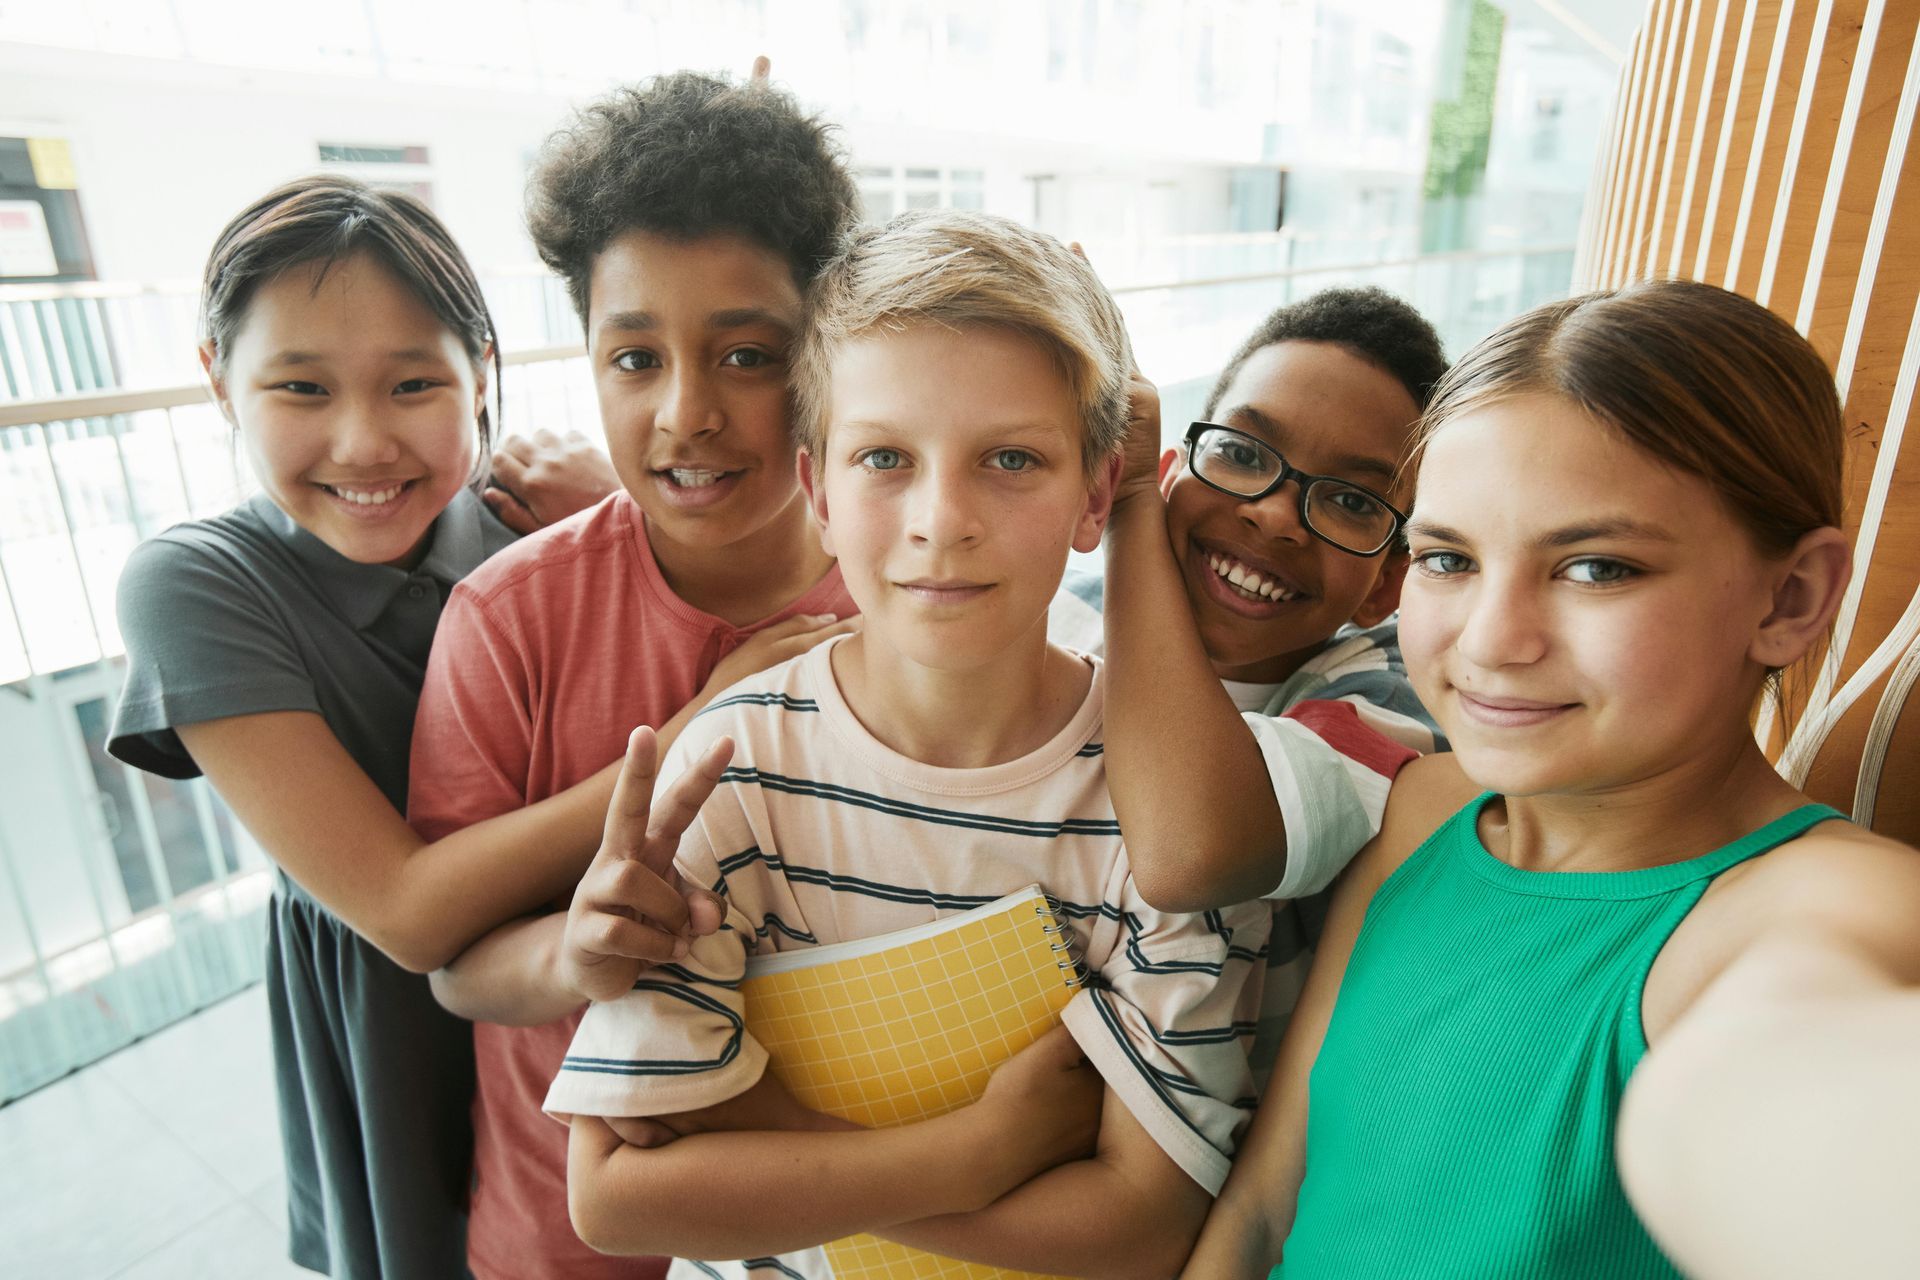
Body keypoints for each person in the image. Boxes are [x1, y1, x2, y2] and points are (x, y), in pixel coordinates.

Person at [545, 209, 1270, 1280]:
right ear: (820, 492)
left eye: (1011, 458)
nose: (942, 516)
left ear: (1093, 494)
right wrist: (978, 1152)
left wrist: (776, 1139)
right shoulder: (732, 767)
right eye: (886, 455)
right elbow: (615, 1191)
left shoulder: (1168, 803)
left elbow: (1145, 1227)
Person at [1182, 277, 1920, 1278]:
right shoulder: (1424, 808)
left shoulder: (1824, 904)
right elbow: (1267, 1206)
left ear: (1789, 597)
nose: (1493, 640)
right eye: (1448, 558)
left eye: (1596, 568)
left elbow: (1808, 1075)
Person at [105, 174, 694, 1278]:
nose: (365, 442)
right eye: (301, 387)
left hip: (569, 986)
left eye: (415, 381)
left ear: (481, 372)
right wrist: (686, 741)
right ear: (218, 382)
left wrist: (629, 516)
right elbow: (409, 913)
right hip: (391, 1019)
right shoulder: (194, 585)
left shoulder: (535, 518)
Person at [405, 70, 860, 1280]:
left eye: (747, 355)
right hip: (565, 1245)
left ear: (823, 350)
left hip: (842, 1228)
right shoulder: (510, 616)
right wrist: (576, 955)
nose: (687, 413)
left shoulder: (907, 597)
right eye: (635, 356)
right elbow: (455, 965)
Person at [1050, 286, 1448, 1069]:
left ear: (1387, 586)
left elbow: (1186, 852)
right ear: (1174, 472)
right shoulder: (1058, 620)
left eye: (1348, 500)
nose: (1274, 516)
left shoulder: (1384, 709)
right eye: (1240, 452)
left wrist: (1130, 509)